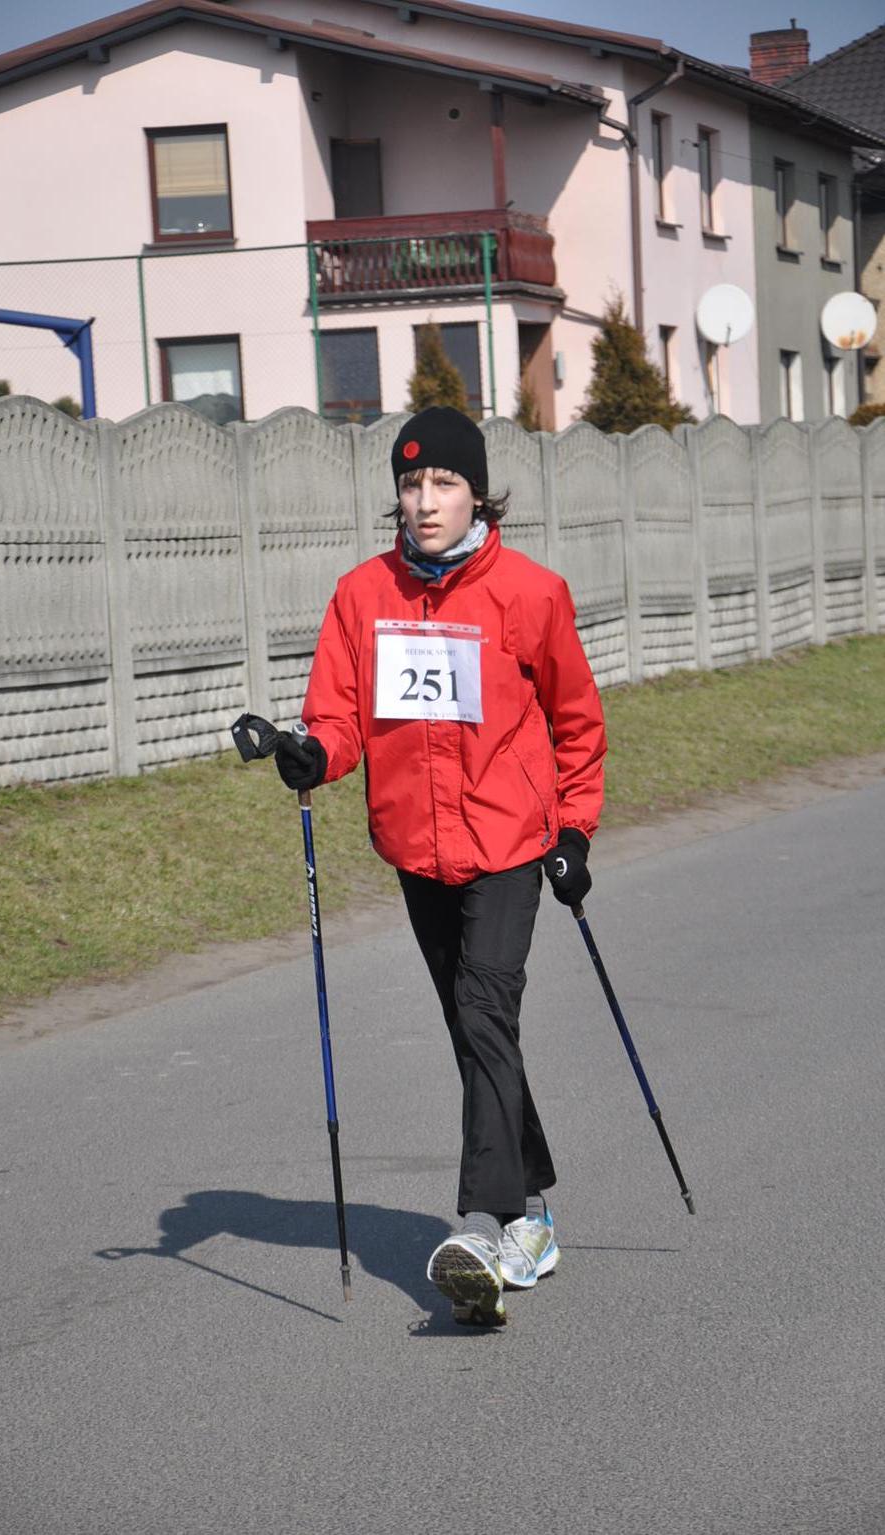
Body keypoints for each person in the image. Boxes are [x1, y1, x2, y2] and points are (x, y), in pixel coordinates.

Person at [274, 406, 606, 1325]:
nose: (425, 501)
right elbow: (339, 717)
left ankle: (482, 1230)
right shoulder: (361, 595)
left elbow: (577, 722)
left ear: (477, 494)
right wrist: (313, 754)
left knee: (485, 1009)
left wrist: (574, 832)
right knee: (475, 1029)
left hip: (508, 843)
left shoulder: (531, 594)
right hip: (417, 847)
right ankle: (532, 1214)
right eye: (412, 484)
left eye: (445, 484)